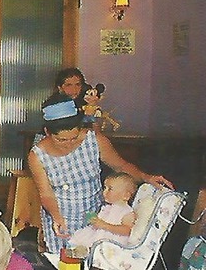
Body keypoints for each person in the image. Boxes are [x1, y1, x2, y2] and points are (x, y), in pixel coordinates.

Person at [28, 93, 173, 259]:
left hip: (95, 216)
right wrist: (57, 217)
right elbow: (46, 193)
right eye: (61, 140)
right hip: (62, 217)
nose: (68, 144)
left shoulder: (95, 140)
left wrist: (146, 177)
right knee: (66, 264)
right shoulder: (37, 155)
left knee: (96, 261)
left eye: (74, 138)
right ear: (47, 132)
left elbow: (121, 165)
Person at [67, 173, 140, 250]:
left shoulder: (126, 212)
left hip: (111, 242)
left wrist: (105, 225)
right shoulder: (108, 207)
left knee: (86, 245)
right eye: (105, 188)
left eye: (110, 189)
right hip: (99, 236)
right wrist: (94, 219)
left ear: (126, 195)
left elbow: (127, 230)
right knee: (79, 240)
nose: (104, 192)